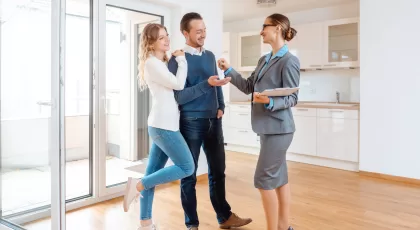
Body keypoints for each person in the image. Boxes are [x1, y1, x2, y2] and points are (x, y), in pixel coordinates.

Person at [167, 12, 252, 230]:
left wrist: (221, 106)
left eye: (204, 30)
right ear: (185, 33)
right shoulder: (178, 60)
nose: (203, 34)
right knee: (189, 174)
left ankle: (224, 217)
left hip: (214, 120)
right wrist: (207, 84)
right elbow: (180, 97)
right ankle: (192, 224)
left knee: (218, 171)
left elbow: (217, 84)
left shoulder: (210, 56)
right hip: (191, 121)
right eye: (198, 31)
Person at [218, 13, 300, 230]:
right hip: (267, 129)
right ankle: (284, 227)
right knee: (279, 178)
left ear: (279, 28)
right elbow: (248, 86)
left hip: (280, 130)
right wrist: (229, 69)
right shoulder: (264, 60)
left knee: (263, 180)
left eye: (265, 26)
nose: (261, 31)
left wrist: (270, 101)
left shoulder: (289, 61)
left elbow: (293, 98)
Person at [122, 23, 195, 230]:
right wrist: (181, 60)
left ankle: (145, 224)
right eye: (161, 37)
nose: (166, 40)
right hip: (163, 127)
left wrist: (174, 59)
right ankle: (137, 185)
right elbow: (178, 84)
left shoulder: (159, 62)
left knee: (152, 174)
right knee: (187, 167)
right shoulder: (152, 63)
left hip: (164, 124)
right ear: (151, 42)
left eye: (166, 36)